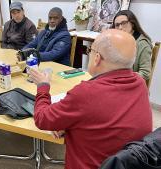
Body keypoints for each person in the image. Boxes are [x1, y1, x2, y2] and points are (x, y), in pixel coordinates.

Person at [29, 29, 152, 169]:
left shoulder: (86, 93)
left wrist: (43, 86)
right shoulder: (140, 83)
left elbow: (42, 118)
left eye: (90, 50)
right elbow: (112, 117)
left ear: (97, 58)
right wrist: (70, 123)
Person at [112, 10, 152, 81]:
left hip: (130, 84)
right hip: (115, 80)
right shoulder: (117, 40)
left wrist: (125, 79)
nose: (120, 28)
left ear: (132, 24)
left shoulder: (142, 43)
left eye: (124, 23)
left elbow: (145, 73)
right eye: (117, 25)